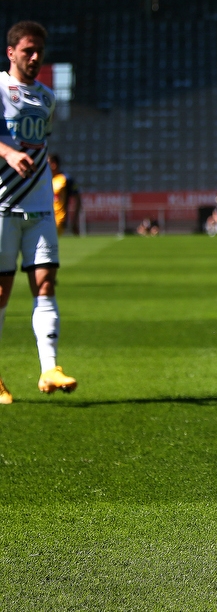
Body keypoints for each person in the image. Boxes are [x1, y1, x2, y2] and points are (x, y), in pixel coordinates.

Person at [0, 21, 77, 406]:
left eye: (39, 52)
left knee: (45, 284)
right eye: (27, 50)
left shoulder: (47, 97)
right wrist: (9, 153)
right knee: (0, 292)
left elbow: (39, 144)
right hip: (2, 206)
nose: (34, 57)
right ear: (11, 51)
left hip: (39, 205)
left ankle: (49, 368)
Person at [48, 153, 80, 236]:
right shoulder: (46, 180)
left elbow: (77, 199)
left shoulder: (65, 179)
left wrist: (74, 221)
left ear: (53, 165)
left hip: (59, 220)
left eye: (47, 163)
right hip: (44, 218)